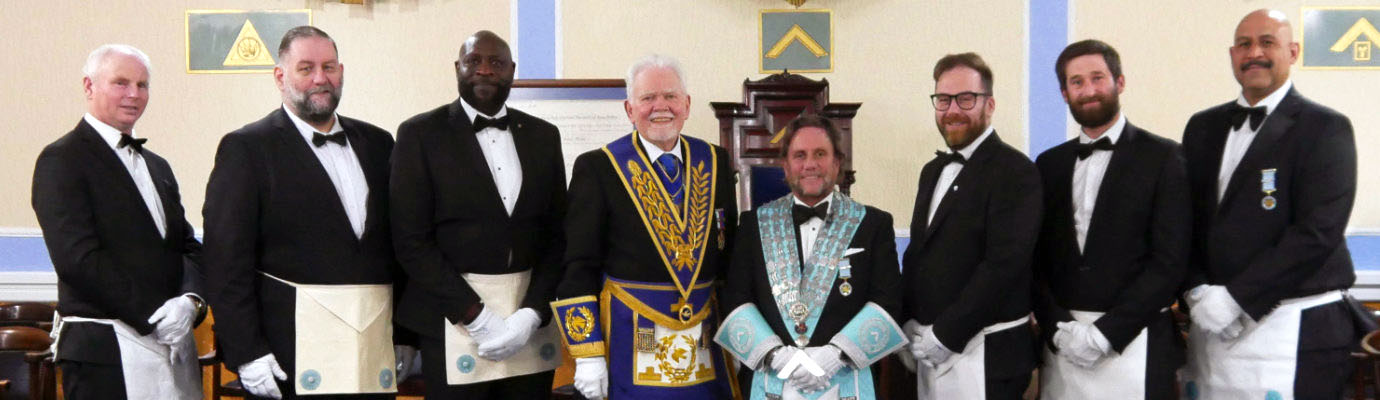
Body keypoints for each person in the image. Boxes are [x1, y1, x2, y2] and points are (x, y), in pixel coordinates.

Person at [203, 26, 408, 399]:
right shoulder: (246, 148)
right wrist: (247, 352)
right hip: (288, 360)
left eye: (329, 67)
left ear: (341, 72)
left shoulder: (380, 144)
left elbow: (399, 248)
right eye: (306, 68)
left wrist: (407, 336)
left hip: (371, 353)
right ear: (280, 77)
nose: (320, 78)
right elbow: (225, 261)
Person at [1180, 9, 1357, 399]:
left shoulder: (1326, 128)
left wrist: (1237, 298)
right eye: (1244, 44)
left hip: (1294, 327)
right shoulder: (1201, 127)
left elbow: (1318, 232)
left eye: (1267, 42)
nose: (1254, 53)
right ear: (1231, 55)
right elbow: (1183, 221)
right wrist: (1195, 291)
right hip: (1212, 326)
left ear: (1292, 53)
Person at [390, 30, 566, 399]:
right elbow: (411, 241)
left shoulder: (544, 136)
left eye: (496, 62)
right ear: (458, 68)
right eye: (474, 61)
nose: (485, 70)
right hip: (451, 320)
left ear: (512, 71)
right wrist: (475, 316)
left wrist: (532, 313)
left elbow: (557, 236)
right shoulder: (419, 134)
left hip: (527, 322)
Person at [551, 54, 739, 400]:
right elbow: (579, 265)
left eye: (669, 96)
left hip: (704, 339)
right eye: (648, 98)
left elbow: (728, 260)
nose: (660, 107)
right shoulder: (598, 168)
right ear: (629, 108)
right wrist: (588, 353)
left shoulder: (715, 160)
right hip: (630, 336)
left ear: (687, 104)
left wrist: (739, 335)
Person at [32, 43, 206, 400]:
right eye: (121, 83)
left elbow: (186, 246)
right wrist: (154, 315)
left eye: (142, 85)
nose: (134, 94)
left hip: (174, 348)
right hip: (105, 351)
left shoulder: (158, 167)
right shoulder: (61, 159)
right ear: (88, 86)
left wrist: (191, 301)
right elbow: (77, 259)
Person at [1031, 39, 1190, 400]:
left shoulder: (1165, 157)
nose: (1088, 90)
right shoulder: (1048, 165)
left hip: (1136, 338)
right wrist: (1057, 327)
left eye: (1097, 78)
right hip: (1064, 345)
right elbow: (1035, 260)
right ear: (1064, 92)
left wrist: (1107, 334)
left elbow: (1170, 261)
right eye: (1076, 82)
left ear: (1119, 82)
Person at [715, 114, 905, 400]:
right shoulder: (754, 224)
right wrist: (779, 357)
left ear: (837, 162)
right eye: (799, 155)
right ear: (786, 165)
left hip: (845, 379)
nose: (810, 164)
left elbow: (888, 301)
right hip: (772, 379)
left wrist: (834, 355)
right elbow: (736, 298)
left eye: (820, 154)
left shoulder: (872, 224)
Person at [900, 52, 1042, 399]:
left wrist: (946, 334)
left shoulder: (1016, 171)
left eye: (966, 99)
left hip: (989, 356)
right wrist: (907, 320)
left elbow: (1003, 266)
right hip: (930, 350)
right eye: (943, 99)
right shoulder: (931, 172)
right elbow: (919, 255)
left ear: (989, 104)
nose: (952, 110)